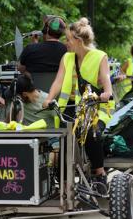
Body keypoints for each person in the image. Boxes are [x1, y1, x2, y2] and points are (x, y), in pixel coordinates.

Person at [43, 17, 113, 186]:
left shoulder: (99, 57)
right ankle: (64, 180)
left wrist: (107, 92)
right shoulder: (67, 57)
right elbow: (58, 81)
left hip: (95, 107)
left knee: (91, 134)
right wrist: (49, 98)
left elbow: (106, 79)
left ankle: (99, 173)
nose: (65, 42)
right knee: (64, 138)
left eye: (68, 39)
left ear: (78, 41)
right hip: (70, 107)